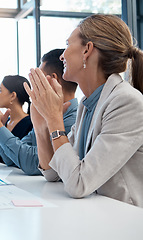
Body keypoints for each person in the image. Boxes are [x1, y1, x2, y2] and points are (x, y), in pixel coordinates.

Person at [25, 14, 143, 207]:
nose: (62, 55)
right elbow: (52, 172)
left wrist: (54, 119)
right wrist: (41, 126)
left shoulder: (126, 102)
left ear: (87, 49)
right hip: (97, 213)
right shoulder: (87, 104)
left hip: (125, 221)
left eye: (67, 45)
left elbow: (78, 184)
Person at [0, 49, 78, 175]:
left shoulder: (73, 120)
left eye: (38, 78)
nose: (34, 86)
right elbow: (12, 159)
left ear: (52, 80)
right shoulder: (43, 116)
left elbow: (33, 163)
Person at [0, 75, 33, 163]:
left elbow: (17, 161)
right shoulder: (4, 122)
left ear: (12, 95)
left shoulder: (30, 124)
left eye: (0, 90)